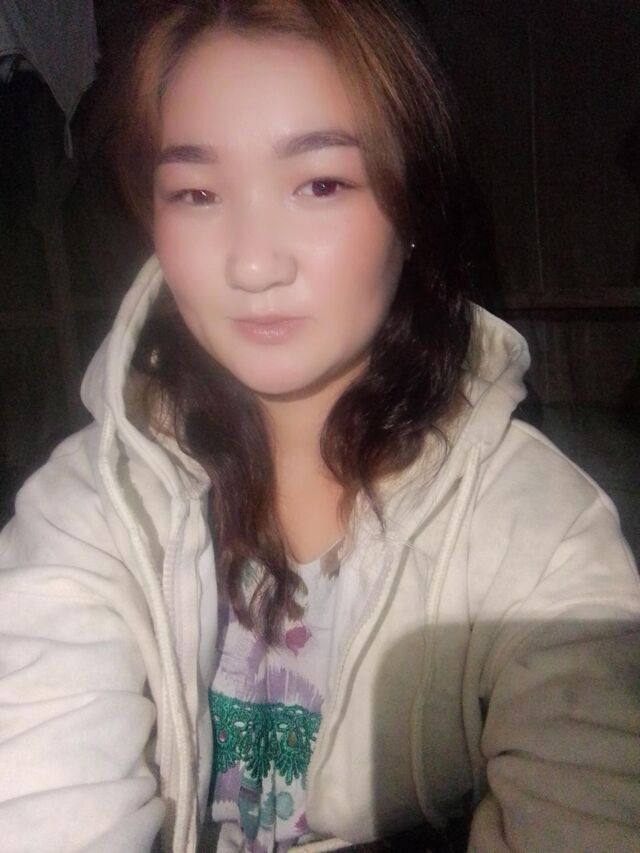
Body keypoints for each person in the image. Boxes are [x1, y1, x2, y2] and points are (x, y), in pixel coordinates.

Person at [1, 1, 639, 851]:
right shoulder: (90, 506)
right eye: (196, 192)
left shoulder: (542, 530)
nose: (252, 262)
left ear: (414, 206)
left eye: (321, 184)